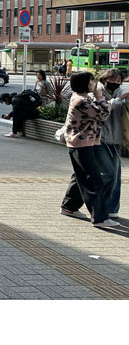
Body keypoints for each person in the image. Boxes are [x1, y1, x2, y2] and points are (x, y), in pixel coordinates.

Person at [59, 71, 120, 228]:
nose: (94, 84)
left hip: (84, 143)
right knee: (93, 181)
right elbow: (104, 113)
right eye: (91, 81)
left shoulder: (82, 98)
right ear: (85, 84)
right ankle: (100, 218)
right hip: (82, 144)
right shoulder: (80, 101)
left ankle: (69, 206)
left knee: (80, 177)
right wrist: (100, 96)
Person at [96, 69, 128, 219]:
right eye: (112, 80)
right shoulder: (97, 93)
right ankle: (100, 208)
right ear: (104, 79)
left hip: (116, 139)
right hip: (99, 139)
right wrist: (118, 100)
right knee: (108, 174)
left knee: (114, 175)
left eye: (118, 81)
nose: (115, 83)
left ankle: (112, 208)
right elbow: (101, 111)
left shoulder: (121, 92)